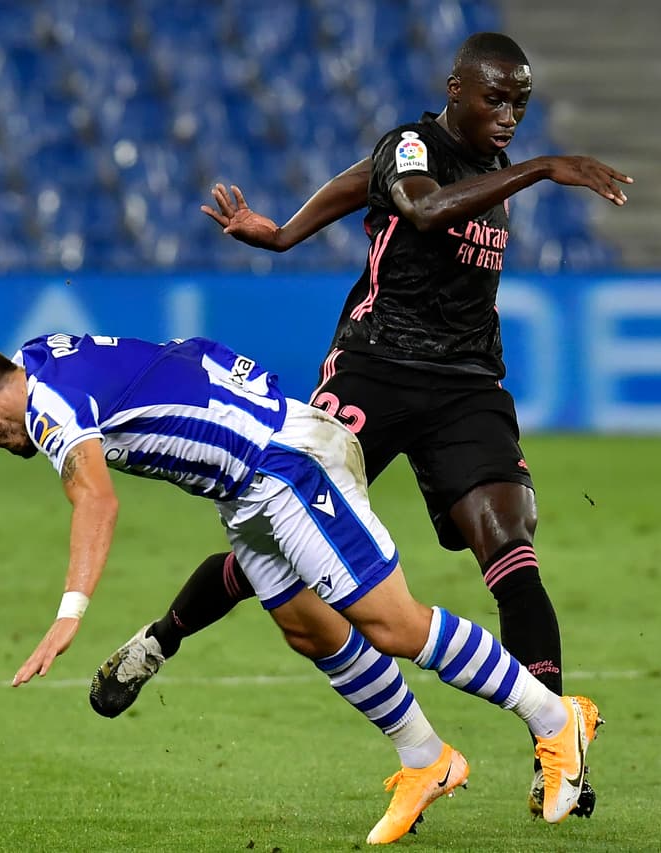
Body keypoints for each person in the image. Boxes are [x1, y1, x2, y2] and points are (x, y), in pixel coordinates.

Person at [88, 32, 630, 818]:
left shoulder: (489, 166)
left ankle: (555, 751)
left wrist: (282, 232)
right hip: (373, 367)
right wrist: (546, 167)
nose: (510, 114)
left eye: (522, 102)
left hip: (468, 380)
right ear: (455, 90)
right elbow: (408, 199)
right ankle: (160, 637)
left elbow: (355, 187)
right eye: (495, 98)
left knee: (512, 542)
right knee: (279, 537)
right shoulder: (415, 146)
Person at [0, 335, 603, 842]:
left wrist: (69, 614)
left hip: (285, 464)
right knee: (309, 629)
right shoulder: (35, 362)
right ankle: (427, 757)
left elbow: (96, 497)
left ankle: (552, 717)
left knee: (391, 624)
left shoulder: (52, 411)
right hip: (245, 488)